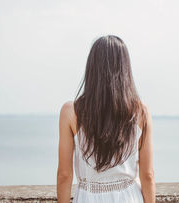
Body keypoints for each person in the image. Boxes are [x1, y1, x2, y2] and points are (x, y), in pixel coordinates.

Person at [56, 35, 155, 203]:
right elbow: (148, 175)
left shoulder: (71, 111)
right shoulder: (140, 112)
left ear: (91, 67)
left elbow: (64, 175)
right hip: (129, 197)